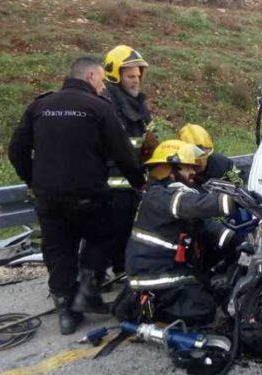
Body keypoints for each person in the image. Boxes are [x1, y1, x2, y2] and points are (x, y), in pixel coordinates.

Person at [8, 56, 146, 335]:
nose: (103, 87)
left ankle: (66, 313)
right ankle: (88, 289)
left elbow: (16, 150)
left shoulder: (39, 106)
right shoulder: (99, 108)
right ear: (91, 77)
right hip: (88, 195)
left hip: (48, 197)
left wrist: (33, 179)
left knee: (58, 249)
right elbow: (123, 153)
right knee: (103, 236)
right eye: (101, 81)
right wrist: (138, 182)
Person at [118, 140, 239, 325]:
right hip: (153, 276)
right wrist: (233, 200)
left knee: (212, 291)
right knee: (205, 310)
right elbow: (196, 205)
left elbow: (205, 227)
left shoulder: (172, 198)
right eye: (187, 168)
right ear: (169, 170)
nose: (193, 172)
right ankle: (144, 309)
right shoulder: (160, 196)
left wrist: (239, 240)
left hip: (168, 268)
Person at [102, 45, 154, 275]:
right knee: (114, 230)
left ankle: (122, 268)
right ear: (115, 75)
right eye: (130, 76)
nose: (136, 81)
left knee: (126, 228)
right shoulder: (108, 103)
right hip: (113, 180)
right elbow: (118, 146)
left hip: (132, 178)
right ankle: (112, 272)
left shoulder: (135, 102)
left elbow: (147, 139)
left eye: (138, 76)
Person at [177, 123, 244, 188]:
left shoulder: (224, 165)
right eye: (193, 157)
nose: (199, 162)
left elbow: (240, 184)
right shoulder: (174, 170)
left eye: (203, 154)